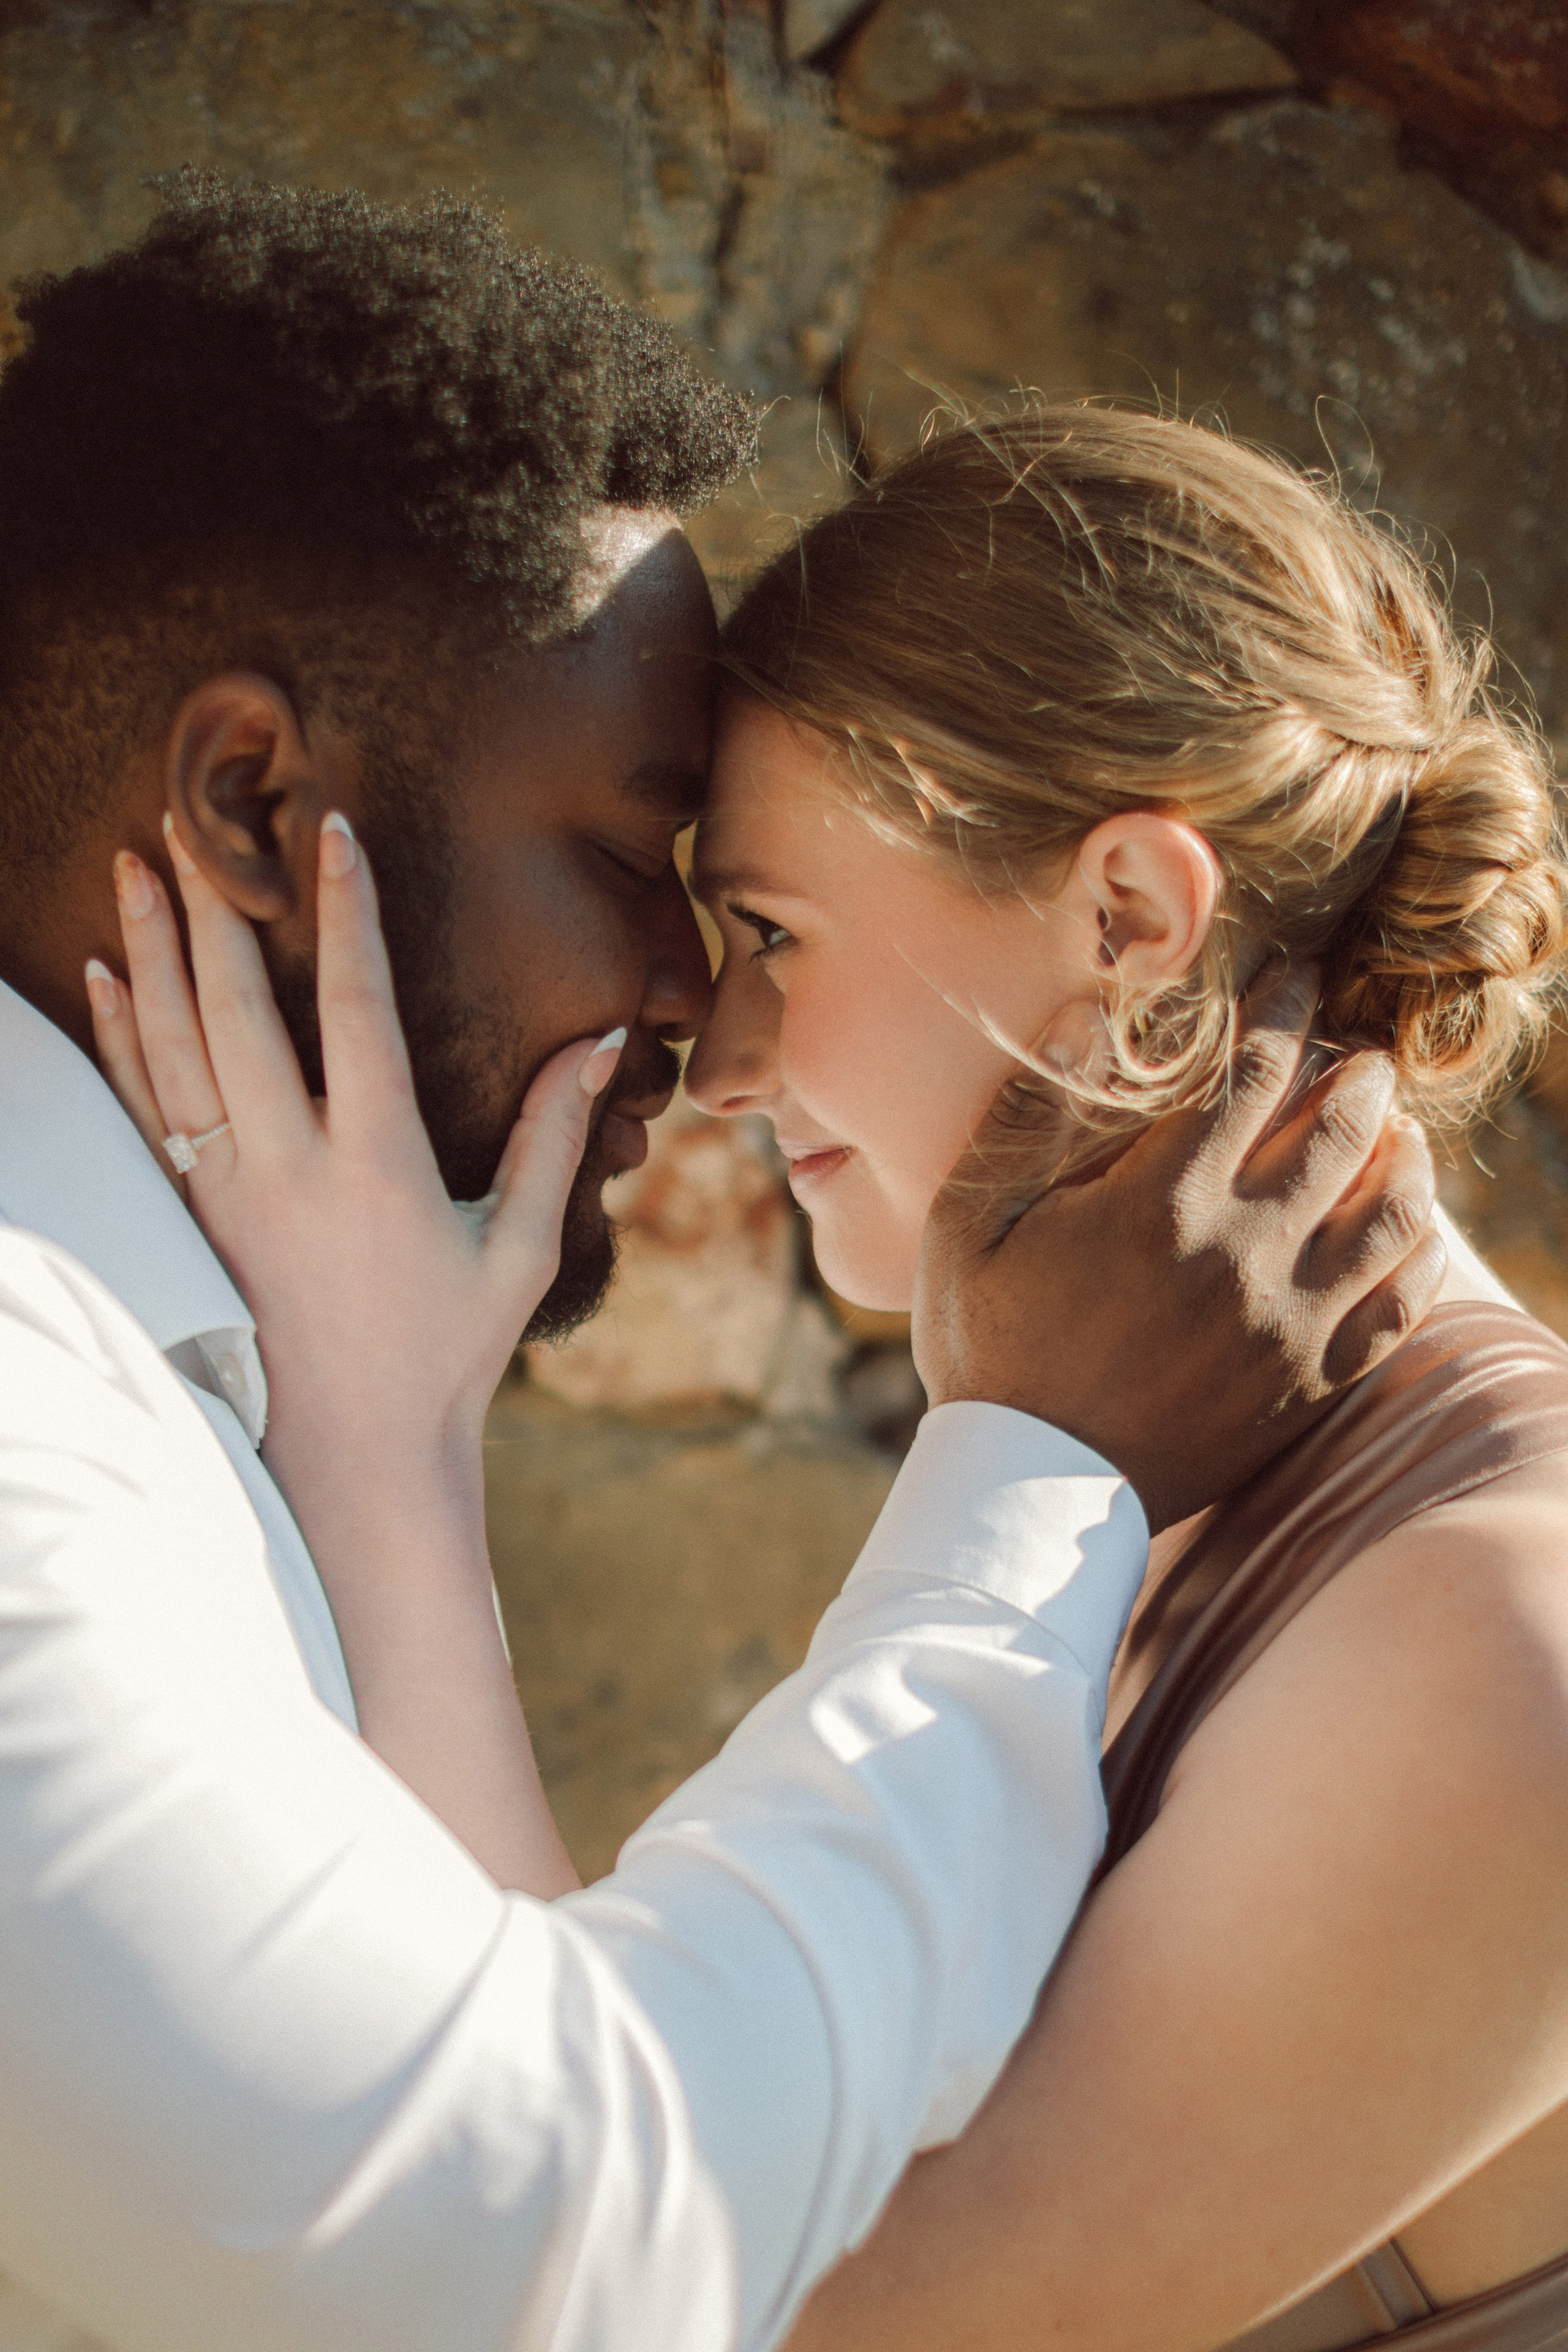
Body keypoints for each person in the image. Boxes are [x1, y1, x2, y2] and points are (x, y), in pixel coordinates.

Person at [0, 179, 1441, 2352]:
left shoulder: (169, 1390)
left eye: (753, 919)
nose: (692, 1002)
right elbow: (512, 2257)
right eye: (631, 857)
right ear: (246, 803)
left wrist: (379, 1464)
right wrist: (1028, 1479)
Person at [647, 403, 1566, 2352]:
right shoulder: (1146, 1491)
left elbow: (658, 2305)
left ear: (1131, 920)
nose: (718, 1063)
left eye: (772, 930)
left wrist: (383, 1451)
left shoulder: (1509, 1635)